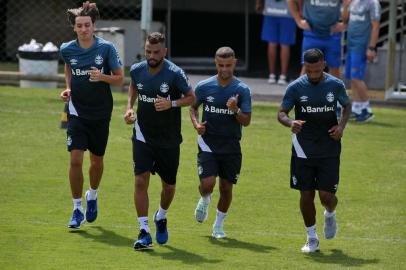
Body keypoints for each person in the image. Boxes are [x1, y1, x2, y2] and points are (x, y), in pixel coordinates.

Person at [124, 32, 195, 249]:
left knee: (169, 186)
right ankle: (144, 231)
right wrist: (129, 108)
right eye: (148, 52)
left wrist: (171, 104)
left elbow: (192, 97)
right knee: (139, 181)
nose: (151, 55)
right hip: (143, 135)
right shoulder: (137, 69)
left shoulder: (175, 74)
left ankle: (161, 216)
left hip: (169, 139)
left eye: (156, 52)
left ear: (165, 51)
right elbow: (134, 86)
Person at [277, 49, 351, 253]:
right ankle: (311, 238)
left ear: (324, 65)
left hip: (329, 147)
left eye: (317, 70)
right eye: (309, 70)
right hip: (303, 149)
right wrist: (290, 122)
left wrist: (341, 126)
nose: (313, 74)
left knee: (327, 196)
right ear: (304, 66)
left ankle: (330, 214)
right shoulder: (295, 87)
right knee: (306, 194)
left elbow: (347, 105)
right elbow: (282, 113)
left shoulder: (335, 85)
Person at [59, 1, 124, 229]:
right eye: (80, 26)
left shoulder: (106, 49)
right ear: (74, 28)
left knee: (96, 162)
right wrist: (68, 88)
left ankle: (92, 196)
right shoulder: (67, 49)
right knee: (75, 159)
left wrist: (102, 77)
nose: (84, 29)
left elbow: (120, 78)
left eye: (87, 25)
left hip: (100, 113)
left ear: (94, 26)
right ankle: (77, 208)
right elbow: (68, 66)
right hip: (76, 112)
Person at [190, 47, 252, 239]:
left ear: (234, 63)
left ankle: (218, 226)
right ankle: (205, 198)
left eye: (228, 65)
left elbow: (246, 121)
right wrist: (197, 124)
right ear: (215, 63)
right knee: (207, 184)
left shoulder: (242, 90)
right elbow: (193, 108)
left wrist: (235, 110)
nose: (224, 69)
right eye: (220, 65)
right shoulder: (204, 86)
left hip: (231, 145)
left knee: (226, 188)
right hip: (208, 143)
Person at [342, 0, 380, 122]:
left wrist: (372, 47)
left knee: (356, 78)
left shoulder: (373, 3)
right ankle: (357, 108)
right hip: (351, 44)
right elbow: (344, 20)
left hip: (362, 45)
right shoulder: (353, 1)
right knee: (352, 77)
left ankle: (367, 110)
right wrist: (346, 6)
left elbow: (376, 26)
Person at [287, 0, 346, 79]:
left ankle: (335, 91)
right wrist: (299, 21)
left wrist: (345, 24)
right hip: (312, 33)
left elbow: (350, 3)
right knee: (307, 67)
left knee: (334, 69)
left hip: (332, 34)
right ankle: (301, 91)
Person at [256, 0, 297, 85]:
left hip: (270, 10)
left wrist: (258, 3)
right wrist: (300, 9)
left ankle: (272, 75)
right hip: (287, 12)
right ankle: (283, 76)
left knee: (272, 44)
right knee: (285, 45)